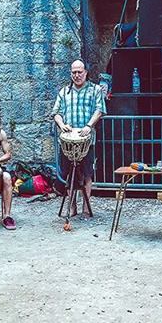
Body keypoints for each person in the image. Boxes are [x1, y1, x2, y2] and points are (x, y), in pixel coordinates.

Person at [52, 60, 105, 214]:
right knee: (69, 175)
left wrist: (89, 126)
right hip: (68, 142)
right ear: (71, 73)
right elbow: (56, 113)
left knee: (87, 173)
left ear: (85, 73)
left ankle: (86, 207)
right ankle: (72, 206)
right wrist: (61, 125)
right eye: (74, 72)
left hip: (87, 140)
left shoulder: (95, 90)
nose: (77, 75)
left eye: (79, 72)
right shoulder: (64, 92)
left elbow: (100, 110)